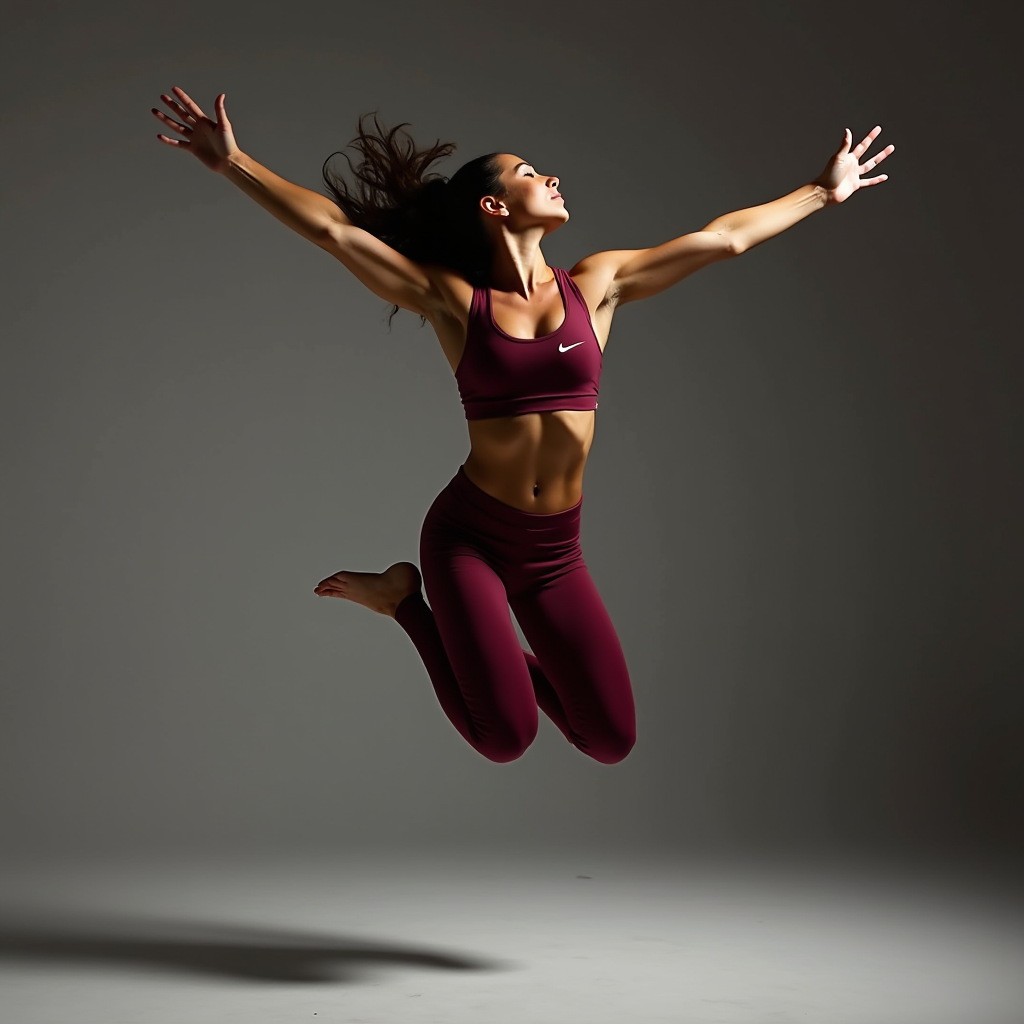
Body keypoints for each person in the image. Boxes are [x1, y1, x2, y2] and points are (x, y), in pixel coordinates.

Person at [152, 89, 895, 765]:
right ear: (494, 207)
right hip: (469, 536)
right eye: (531, 173)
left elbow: (723, 239)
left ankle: (466, 644)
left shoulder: (596, 286)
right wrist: (235, 163)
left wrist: (821, 193)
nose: (553, 179)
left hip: (553, 550)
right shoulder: (452, 301)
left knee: (608, 736)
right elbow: (338, 236)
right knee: (506, 736)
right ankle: (406, 602)